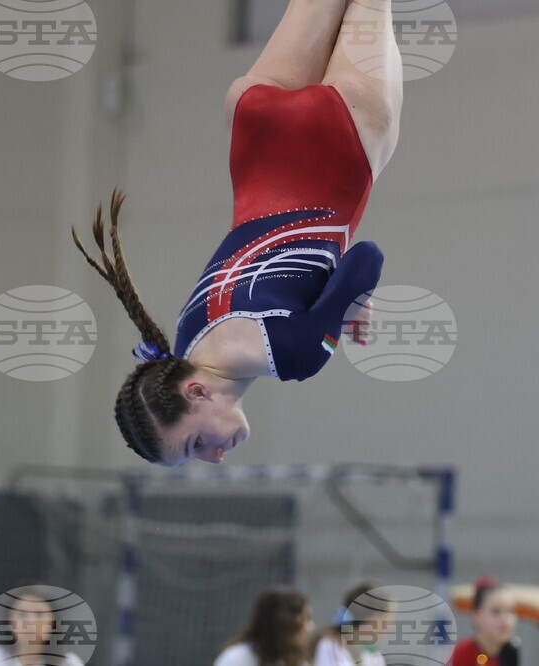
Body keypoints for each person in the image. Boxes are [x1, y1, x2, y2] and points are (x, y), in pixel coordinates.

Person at [72, 0, 403, 466]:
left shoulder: (295, 354)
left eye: (195, 445)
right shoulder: (185, 345)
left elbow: (366, 257)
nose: (213, 458)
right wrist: (342, 297)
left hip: (343, 137)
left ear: (196, 391)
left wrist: (350, 302)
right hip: (254, 127)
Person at [0, 589, 85, 666]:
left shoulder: (69, 663)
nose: (31, 622)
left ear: (53, 624)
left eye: (39, 614)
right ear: (10, 623)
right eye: (22, 614)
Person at [213, 585, 313, 666]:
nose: (309, 627)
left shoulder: (297, 661)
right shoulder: (239, 658)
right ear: (280, 624)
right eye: (303, 620)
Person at [310, 582, 386, 666]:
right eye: (385, 621)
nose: (387, 627)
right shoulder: (330, 647)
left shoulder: (372, 653)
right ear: (372, 620)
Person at [448, 577, 519, 666]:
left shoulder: (510, 652)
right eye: (496, 611)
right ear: (476, 615)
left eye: (511, 611)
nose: (505, 620)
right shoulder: (464, 653)